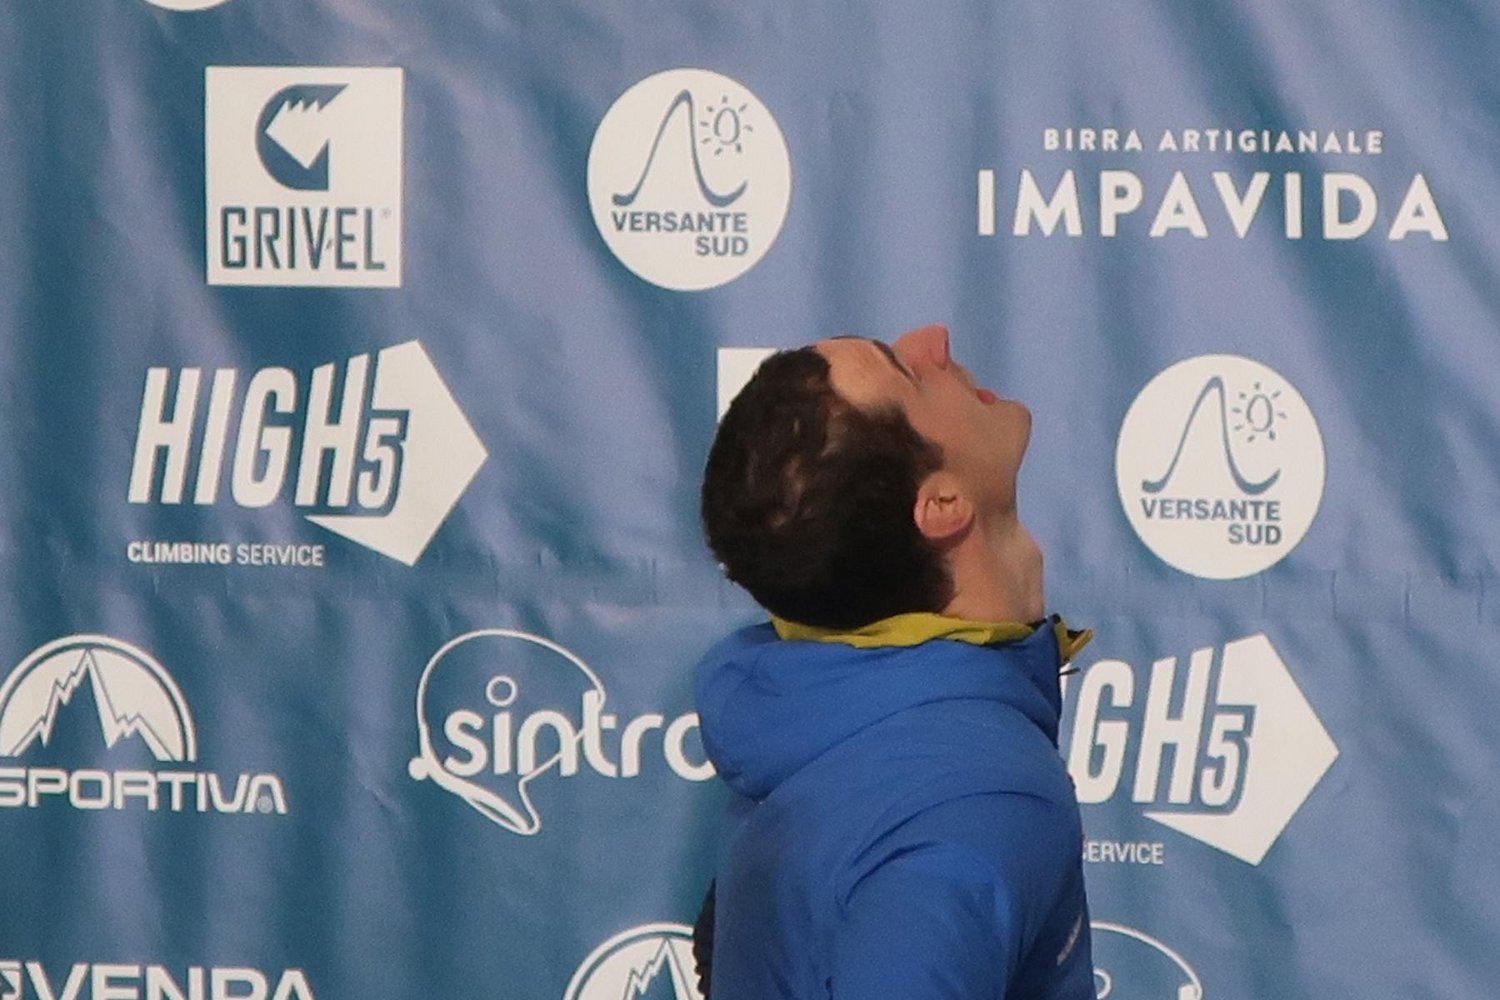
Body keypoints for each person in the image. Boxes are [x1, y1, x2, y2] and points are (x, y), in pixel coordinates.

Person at [692, 324, 1095, 998]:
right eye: (905, 372)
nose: (931, 340)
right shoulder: (967, 802)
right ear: (941, 505)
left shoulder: (835, 744)